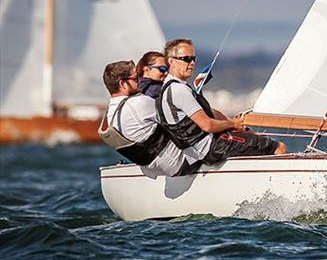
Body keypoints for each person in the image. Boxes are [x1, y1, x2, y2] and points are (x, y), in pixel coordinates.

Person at [156, 38, 287, 165]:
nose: (192, 63)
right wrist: (232, 124)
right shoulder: (179, 90)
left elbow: (209, 112)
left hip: (200, 149)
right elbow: (207, 125)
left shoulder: (169, 88)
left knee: (255, 141)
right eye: (186, 59)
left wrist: (232, 122)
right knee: (278, 147)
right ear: (171, 62)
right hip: (211, 147)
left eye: (194, 59)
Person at [98, 60, 196, 177]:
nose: (140, 81)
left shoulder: (111, 113)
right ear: (122, 84)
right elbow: (184, 116)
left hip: (155, 170)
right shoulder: (137, 103)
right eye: (135, 79)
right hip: (183, 163)